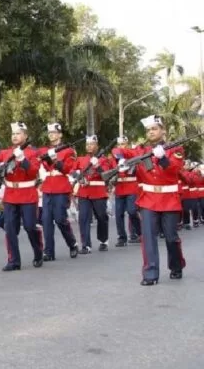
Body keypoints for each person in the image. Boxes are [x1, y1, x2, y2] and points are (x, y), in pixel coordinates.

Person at [112, 115, 186, 286]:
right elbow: (117, 150)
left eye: (154, 129)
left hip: (169, 199)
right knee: (148, 238)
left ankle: (176, 265)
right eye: (149, 130)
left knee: (171, 237)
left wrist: (163, 158)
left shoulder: (175, 149)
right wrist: (120, 159)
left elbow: (175, 169)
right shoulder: (140, 150)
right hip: (148, 200)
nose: (151, 132)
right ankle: (150, 273)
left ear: (163, 131)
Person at [0, 122, 42, 271]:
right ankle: (14, 260)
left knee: (30, 227)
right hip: (10, 196)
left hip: (27, 194)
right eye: (13, 134)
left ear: (25, 136)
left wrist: (22, 160)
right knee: (10, 229)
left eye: (18, 133)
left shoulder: (32, 153)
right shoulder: (5, 153)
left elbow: (33, 172)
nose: (15, 136)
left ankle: (38, 251)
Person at [38, 122, 79, 261]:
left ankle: (72, 243)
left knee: (60, 219)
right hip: (48, 186)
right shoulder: (45, 149)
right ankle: (48, 251)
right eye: (49, 133)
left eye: (54, 132)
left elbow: (68, 169)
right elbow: (41, 163)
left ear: (60, 134)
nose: (51, 135)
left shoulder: (68, 151)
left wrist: (54, 159)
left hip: (61, 186)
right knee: (46, 220)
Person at [72, 135, 115, 253]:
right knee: (83, 218)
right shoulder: (81, 159)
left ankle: (103, 240)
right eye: (87, 144)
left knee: (101, 216)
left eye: (92, 144)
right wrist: (79, 178)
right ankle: (86, 245)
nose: (89, 146)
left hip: (98, 191)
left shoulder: (103, 159)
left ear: (97, 146)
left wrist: (98, 166)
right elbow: (73, 171)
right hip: (84, 191)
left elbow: (106, 175)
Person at [112, 136, 141, 246]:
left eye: (123, 144)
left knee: (132, 211)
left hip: (131, 186)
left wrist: (125, 159)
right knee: (118, 214)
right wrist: (120, 158)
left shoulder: (132, 153)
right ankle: (122, 237)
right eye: (119, 144)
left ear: (127, 144)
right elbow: (116, 153)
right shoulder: (115, 153)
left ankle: (139, 232)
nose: (121, 147)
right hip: (120, 187)